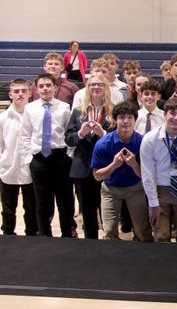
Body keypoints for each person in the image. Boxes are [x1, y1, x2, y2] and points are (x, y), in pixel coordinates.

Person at [19, 73, 75, 237]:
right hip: (39, 159)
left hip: (60, 158)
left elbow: (69, 133)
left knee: (65, 200)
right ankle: (45, 234)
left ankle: (67, 234)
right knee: (42, 201)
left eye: (48, 85)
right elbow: (25, 135)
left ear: (55, 87)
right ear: (36, 89)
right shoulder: (30, 108)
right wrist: (29, 159)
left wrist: (68, 156)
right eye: (41, 86)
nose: (45, 89)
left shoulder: (64, 107)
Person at [91, 101, 153, 242]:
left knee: (142, 230)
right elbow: (96, 176)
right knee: (109, 231)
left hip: (136, 188)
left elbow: (146, 177)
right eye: (121, 117)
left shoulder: (143, 143)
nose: (125, 121)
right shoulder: (103, 144)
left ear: (135, 120)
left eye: (130, 117)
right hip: (110, 189)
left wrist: (134, 165)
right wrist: (114, 165)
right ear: (115, 120)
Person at [140, 97, 177, 243]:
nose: (176, 118)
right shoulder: (149, 139)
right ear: (164, 115)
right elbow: (147, 174)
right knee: (161, 236)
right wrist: (153, 203)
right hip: (160, 190)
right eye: (172, 113)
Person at [65, 74, 113, 239]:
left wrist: (103, 134)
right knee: (87, 208)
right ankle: (90, 241)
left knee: (107, 208)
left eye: (100, 84)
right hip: (83, 165)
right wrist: (80, 133)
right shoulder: (79, 111)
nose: (96, 87)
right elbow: (69, 139)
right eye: (92, 84)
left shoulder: (113, 111)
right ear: (87, 88)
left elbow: (118, 139)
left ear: (106, 87)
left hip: (106, 166)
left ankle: (109, 237)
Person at [0, 79, 37, 236]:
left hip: (30, 169)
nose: (20, 94)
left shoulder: (36, 115)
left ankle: (32, 235)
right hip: (9, 168)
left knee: (31, 208)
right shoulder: (3, 118)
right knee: (8, 209)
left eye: (23, 91)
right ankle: (7, 235)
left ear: (29, 93)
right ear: (10, 95)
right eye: (16, 91)